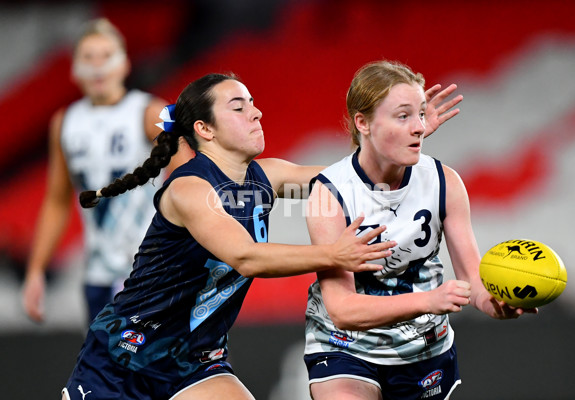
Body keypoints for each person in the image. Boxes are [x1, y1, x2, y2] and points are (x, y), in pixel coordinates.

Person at [61, 72, 459, 400]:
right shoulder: (189, 189)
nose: (257, 112)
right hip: (123, 361)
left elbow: (354, 180)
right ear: (205, 129)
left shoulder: (267, 175)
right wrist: (334, 254)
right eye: (239, 106)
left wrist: (399, 136)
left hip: (195, 362)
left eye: (252, 102)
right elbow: (246, 257)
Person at [302, 60, 538, 400]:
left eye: (421, 115)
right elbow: (342, 309)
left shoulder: (445, 182)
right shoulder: (329, 193)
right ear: (362, 122)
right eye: (403, 116)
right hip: (345, 347)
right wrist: (430, 299)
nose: (419, 128)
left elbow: (472, 280)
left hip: (424, 348)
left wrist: (491, 302)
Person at [21, 18, 194, 325]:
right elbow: (57, 200)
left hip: (153, 271)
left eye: (106, 56)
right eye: (89, 58)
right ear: (74, 67)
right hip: (99, 277)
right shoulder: (64, 122)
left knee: (172, 367)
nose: (98, 66)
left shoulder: (153, 111)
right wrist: (36, 271)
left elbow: (191, 177)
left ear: (124, 64)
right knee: (105, 371)